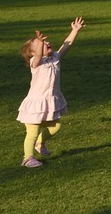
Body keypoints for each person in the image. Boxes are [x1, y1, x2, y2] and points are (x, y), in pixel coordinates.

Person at [16, 16, 85, 168]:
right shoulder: (36, 63)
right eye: (41, 44)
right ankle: (27, 158)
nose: (46, 43)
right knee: (32, 132)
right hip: (35, 104)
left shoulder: (55, 58)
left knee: (55, 126)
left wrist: (74, 31)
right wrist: (39, 42)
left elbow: (67, 45)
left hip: (50, 101)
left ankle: (40, 142)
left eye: (46, 42)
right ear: (33, 53)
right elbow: (39, 54)